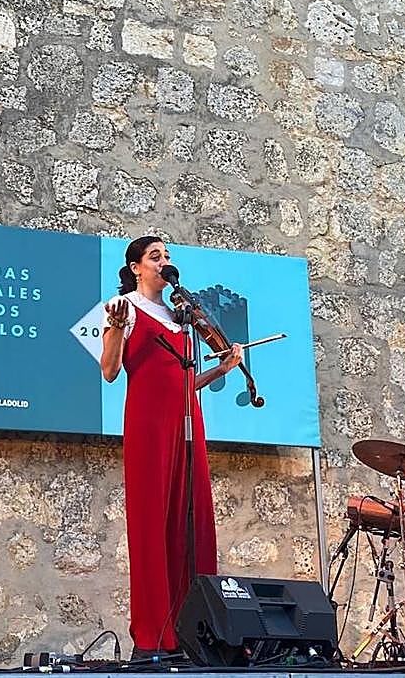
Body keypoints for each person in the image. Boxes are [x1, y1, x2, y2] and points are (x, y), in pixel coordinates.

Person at [99, 236, 243, 659]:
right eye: (155, 256)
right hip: (146, 420)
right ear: (136, 267)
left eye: (167, 256)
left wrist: (222, 366)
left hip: (186, 418)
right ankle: (151, 637)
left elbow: (181, 383)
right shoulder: (122, 306)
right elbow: (110, 372)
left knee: (191, 521)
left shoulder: (182, 318)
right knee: (151, 523)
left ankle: (193, 630)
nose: (165, 262)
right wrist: (117, 329)